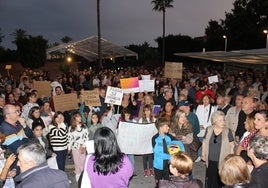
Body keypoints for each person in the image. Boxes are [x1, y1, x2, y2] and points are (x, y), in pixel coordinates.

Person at [202, 111, 235, 188]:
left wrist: (231, 158)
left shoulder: (227, 131)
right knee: (209, 178)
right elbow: (204, 142)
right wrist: (203, 154)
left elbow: (232, 145)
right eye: (220, 120)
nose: (223, 122)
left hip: (222, 159)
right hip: (210, 158)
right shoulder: (209, 129)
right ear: (214, 121)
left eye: (223, 120)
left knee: (219, 179)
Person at [152, 117, 185, 187]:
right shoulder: (155, 138)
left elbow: (179, 143)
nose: (168, 128)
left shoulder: (169, 137)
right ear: (160, 127)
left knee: (168, 182)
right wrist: (170, 156)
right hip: (158, 165)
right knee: (158, 182)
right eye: (166, 126)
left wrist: (182, 153)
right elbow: (158, 154)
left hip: (168, 165)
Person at [68, 112, 88, 182]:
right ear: (74, 118)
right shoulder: (71, 128)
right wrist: (69, 148)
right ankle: (78, 179)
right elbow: (70, 139)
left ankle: (83, 179)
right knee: (77, 163)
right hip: (75, 148)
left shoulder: (84, 126)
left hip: (82, 148)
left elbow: (86, 137)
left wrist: (83, 146)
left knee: (83, 163)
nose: (80, 118)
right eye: (78, 116)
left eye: (80, 116)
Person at [138, 104, 156, 177]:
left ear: (150, 111)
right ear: (144, 112)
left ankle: (151, 168)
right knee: (144, 156)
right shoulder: (141, 120)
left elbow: (156, 129)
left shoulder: (154, 119)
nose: (147, 112)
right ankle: (145, 169)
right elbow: (139, 130)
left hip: (151, 140)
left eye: (148, 110)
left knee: (150, 155)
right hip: (144, 140)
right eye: (145, 111)